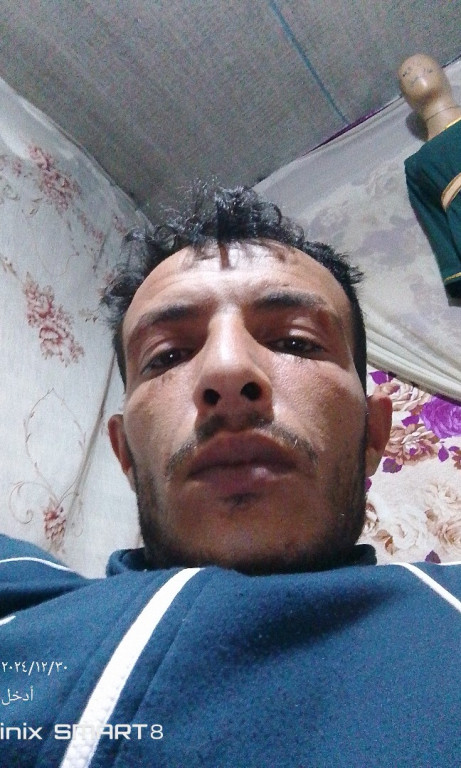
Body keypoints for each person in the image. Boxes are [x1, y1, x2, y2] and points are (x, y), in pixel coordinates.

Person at [0, 185, 459, 768]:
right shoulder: (24, 601)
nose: (226, 370)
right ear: (125, 453)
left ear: (373, 432)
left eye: (295, 341)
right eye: (167, 356)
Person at [399, 53, 461, 297]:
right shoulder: (416, 166)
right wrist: (454, 270)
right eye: (405, 74)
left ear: (445, 75)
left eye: (425, 65)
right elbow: (435, 223)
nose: (414, 70)